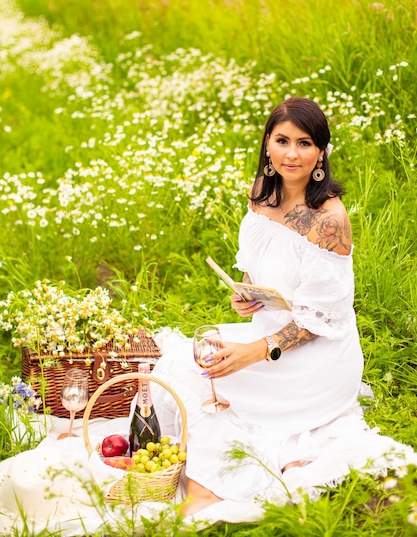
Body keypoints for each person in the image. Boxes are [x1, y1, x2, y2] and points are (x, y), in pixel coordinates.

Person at [150, 96, 417, 517]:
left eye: (306, 143)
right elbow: (262, 268)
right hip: (267, 331)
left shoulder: (328, 220)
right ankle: (209, 482)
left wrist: (250, 355)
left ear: (321, 154)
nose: (293, 154)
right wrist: (248, 294)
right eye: (283, 141)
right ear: (267, 146)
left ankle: (216, 490)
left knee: (223, 386)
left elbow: (318, 320)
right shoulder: (261, 194)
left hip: (315, 355)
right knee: (179, 369)